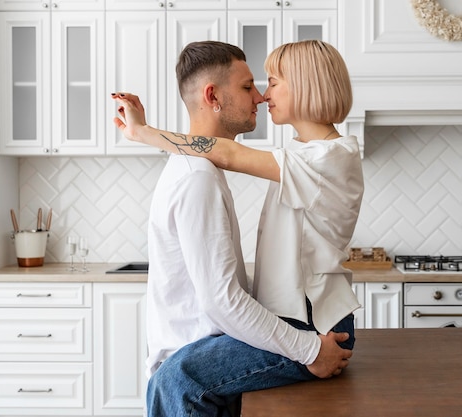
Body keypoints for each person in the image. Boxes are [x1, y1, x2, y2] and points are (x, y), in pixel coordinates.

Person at [112, 40, 354, 416]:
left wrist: (142, 132)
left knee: (179, 378)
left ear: (304, 86)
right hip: (296, 321)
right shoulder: (295, 156)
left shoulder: (328, 158)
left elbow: (226, 153)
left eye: (271, 82)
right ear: (213, 95)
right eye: (252, 86)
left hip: (311, 322)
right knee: (178, 377)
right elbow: (221, 153)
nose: (261, 95)